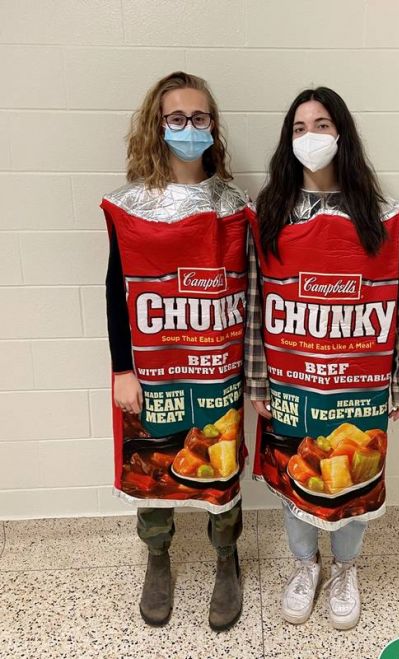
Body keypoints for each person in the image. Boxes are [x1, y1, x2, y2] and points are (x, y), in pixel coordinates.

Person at [245, 87, 399, 630]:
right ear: (286, 140)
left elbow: (398, 298)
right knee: (296, 473)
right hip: (291, 380)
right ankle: (304, 564)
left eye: (321, 125)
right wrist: (258, 380)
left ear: (341, 134)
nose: (310, 137)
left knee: (354, 482)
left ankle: (345, 567)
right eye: (299, 128)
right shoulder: (270, 212)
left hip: (357, 382)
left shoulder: (377, 215)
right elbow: (254, 300)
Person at [101, 71, 248, 631]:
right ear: (158, 126)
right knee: (153, 460)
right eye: (176, 118)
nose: (189, 127)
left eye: (200, 117)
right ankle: (157, 556)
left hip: (217, 364)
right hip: (153, 364)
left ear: (213, 125)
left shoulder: (235, 203)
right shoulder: (130, 204)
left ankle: (225, 557)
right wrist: (121, 368)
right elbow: (118, 288)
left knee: (221, 459)